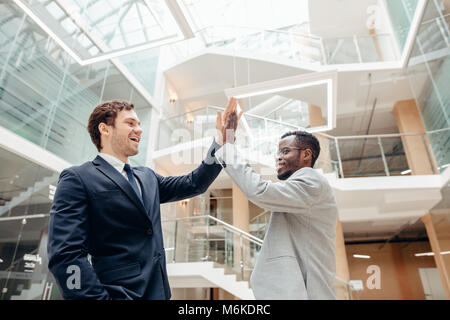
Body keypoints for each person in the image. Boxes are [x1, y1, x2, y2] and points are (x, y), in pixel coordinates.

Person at [47, 100, 223, 300]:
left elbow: (194, 183)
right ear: (105, 129)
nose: (139, 130)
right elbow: (66, 256)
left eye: (139, 124)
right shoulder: (77, 178)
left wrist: (222, 143)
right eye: (130, 123)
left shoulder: (147, 176)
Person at [214, 98, 338, 300]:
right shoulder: (298, 189)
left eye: (285, 151)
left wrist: (228, 142)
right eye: (278, 152)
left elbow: (259, 191)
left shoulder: (311, 180)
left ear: (307, 155)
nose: (278, 157)